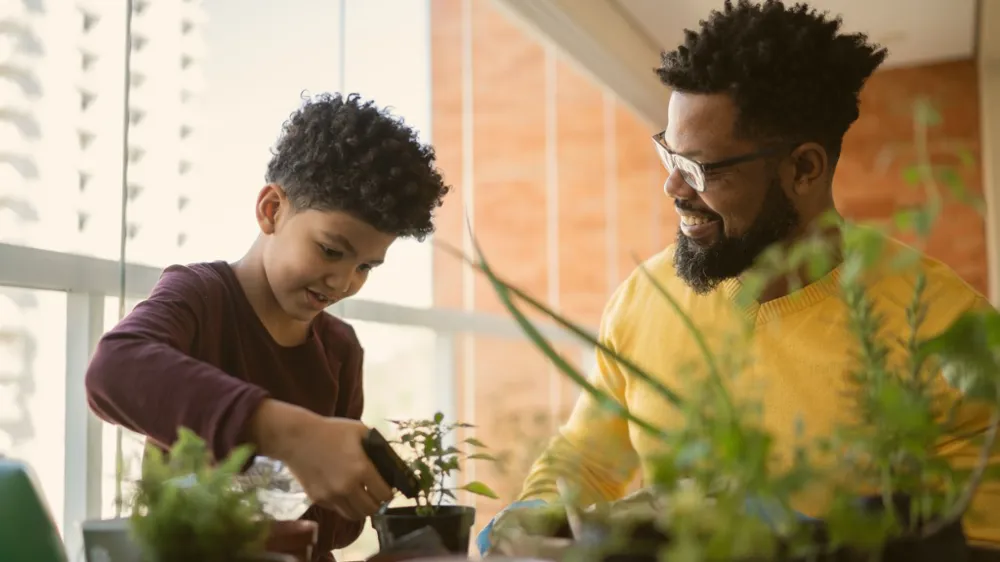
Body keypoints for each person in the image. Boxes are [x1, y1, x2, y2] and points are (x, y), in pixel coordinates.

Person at [478, 0, 999, 553]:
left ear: (804, 169)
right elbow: (586, 456)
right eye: (668, 156)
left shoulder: (948, 328)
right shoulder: (644, 300)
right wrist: (532, 514)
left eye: (701, 169)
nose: (674, 189)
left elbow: (984, 539)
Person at [85, 92, 451, 561]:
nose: (343, 282)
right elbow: (113, 370)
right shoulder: (200, 297)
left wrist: (348, 483)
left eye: (366, 267)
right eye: (331, 251)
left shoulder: (340, 349)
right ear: (272, 209)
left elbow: (333, 535)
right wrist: (290, 434)